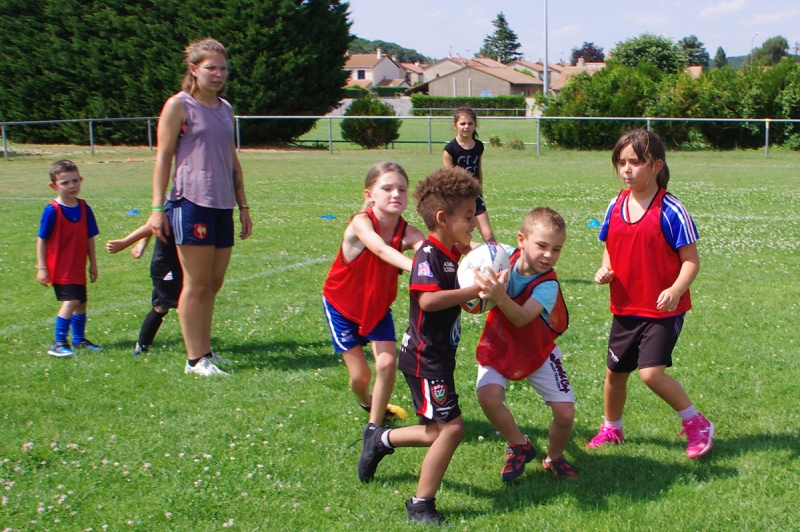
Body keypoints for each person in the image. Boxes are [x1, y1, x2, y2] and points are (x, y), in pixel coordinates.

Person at [357, 167, 482, 525]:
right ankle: (420, 504)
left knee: (434, 432)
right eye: (468, 217)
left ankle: (381, 440)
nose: (473, 224)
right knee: (453, 429)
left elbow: (456, 298)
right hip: (426, 359)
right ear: (443, 218)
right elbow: (428, 302)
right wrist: (473, 292)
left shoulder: (451, 252)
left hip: (436, 356)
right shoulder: (428, 254)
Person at [587, 129, 714, 459]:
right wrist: (606, 269)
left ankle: (697, 424)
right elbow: (610, 246)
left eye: (636, 162)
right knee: (614, 374)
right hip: (625, 308)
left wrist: (675, 289)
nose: (627, 169)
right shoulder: (615, 205)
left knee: (650, 373)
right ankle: (611, 428)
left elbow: (691, 261)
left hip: (662, 311)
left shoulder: (671, 210)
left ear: (656, 165)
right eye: (622, 162)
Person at [146, 38, 251, 376]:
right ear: (194, 69)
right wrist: (156, 207)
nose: (218, 74)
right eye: (211, 67)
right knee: (194, 284)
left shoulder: (225, 108)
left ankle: (205, 350)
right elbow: (163, 158)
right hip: (191, 203)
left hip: (222, 205)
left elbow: (232, 159)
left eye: (222, 68)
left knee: (213, 283)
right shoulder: (179, 105)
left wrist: (243, 205)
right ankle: (194, 360)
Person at [473, 207, 578, 481]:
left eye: (556, 249)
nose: (548, 255)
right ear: (521, 239)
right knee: (488, 397)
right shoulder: (503, 256)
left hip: (537, 352)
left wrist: (498, 294)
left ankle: (554, 457)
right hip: (499, 345)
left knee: (565, 413)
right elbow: (471, 250)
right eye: (542, 246)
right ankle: (520, 445)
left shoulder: (547, 284)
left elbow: (520, 318)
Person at [322, 162, 424, 426]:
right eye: (387, 188)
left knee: (388, 364)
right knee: (361, 377)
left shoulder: (409, 232)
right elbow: (380, 249)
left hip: (377, 308)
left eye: (402, 189)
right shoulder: (360, 223)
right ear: (369, 195)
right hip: (341, 307)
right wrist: (419, 268)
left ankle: (374, 427)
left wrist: (469, 249)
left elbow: (430, 249)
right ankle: (366, 401)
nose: (395, 194)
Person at [36, 160, 101, 357]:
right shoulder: (52, 210)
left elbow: (89, 237)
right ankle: (58, 342)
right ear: (53, 186)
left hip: (78, 266)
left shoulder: (83, 207)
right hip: (60, 267)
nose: (71, 186)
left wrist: (93, 264)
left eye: (75, 181)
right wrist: (42, 267)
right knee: (71, 300)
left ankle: (79, 340)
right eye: (65, 183)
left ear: (81, 180)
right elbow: (42, 240)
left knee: (81, 302)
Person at [442, 107, 495, 243]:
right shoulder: (450, 149)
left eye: (470, 123)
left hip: (475, 196)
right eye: (463, 123)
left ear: (475, 125)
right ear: (455, 126)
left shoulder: (478, 146)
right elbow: (448, 179)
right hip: (458, 199)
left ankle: (497, 263)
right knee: (458, 239)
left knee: (488, 236)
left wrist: (480, 192)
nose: (466, 127)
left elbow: (479, 169)